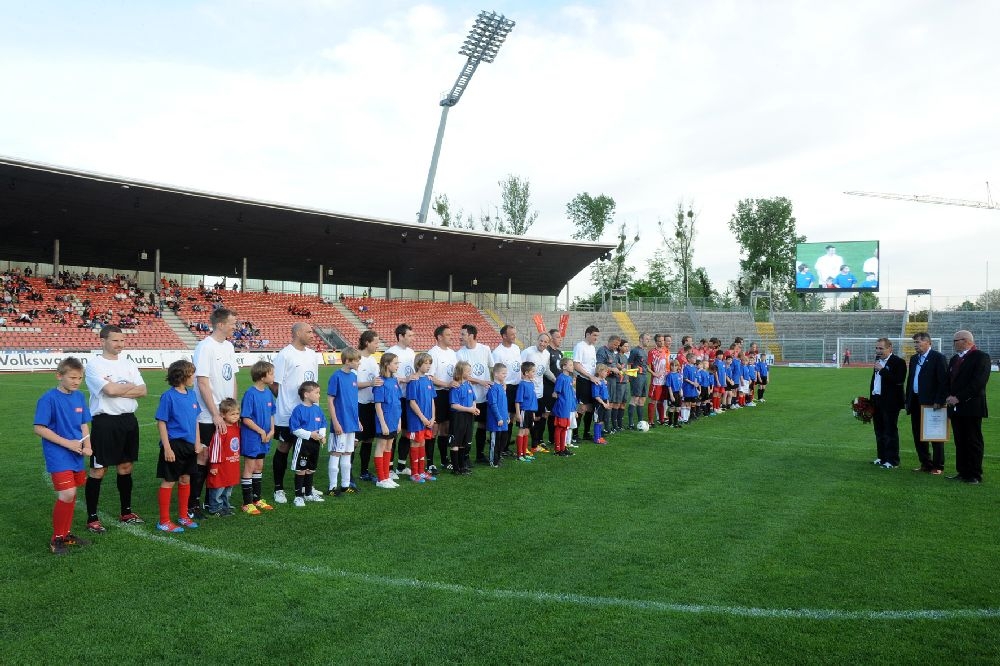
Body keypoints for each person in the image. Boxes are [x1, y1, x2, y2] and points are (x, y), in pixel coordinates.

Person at [83, 325, 147, 533]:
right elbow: (109, 391)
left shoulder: (129, 363)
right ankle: (92, 518)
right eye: (115, 340)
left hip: (128, 420)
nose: (120, 344)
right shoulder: (95, 365)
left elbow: (143, 390)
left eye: (122, 340)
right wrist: (128, 386)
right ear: (103, 341)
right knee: (99, 469)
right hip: (105, 422)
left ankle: (126, 512)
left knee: (126, 467)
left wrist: (118, 388)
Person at [34, 357, 93, 554]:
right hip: (58, 453)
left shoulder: (79, 397)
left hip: (76, 452)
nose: (77, 382)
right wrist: (68, 443)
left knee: (72, 493)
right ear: (59, 376)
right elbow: (39, 428)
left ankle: (66, 534)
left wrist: (87, 445)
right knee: (67, 493)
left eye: (80, 378)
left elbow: (83, 424)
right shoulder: (48, 399)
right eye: (72, 377)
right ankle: (57, 539)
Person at [191, 307, 239, 518]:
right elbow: (202, 382)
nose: (235, 327)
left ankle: (212, 502)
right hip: (208, 414)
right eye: (232, 323)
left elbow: (233, 378)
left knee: (220, 459)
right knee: (204, 457)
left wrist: (232, 409)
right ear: (220, 324)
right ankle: (193, 503)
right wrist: (215, 414)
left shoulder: (229, 346)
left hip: (226, 414)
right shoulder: (205, 347)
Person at [270, 322, 320, 504]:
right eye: (309, 332)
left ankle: (307, 487)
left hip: (308, 414)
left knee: (307, 449)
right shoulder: (285, 355)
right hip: (288, 414)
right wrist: (285, 401)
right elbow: (274, 383)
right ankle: (279, 489)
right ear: (298, 333)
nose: (312, 335)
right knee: (284, 447)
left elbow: (313, 385)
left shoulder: (312, 355)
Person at [154, 360, 203, 532]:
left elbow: (195, 420)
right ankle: (164, 521)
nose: (194, 377)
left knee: (185, 479)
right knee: (169, 481)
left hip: (190, 445)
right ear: (182, 376)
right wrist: (167, 448)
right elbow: (161, 422)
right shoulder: (168, 396)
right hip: (174, 445)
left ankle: (183, 516)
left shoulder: (192, 395)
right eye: (191, 374)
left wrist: (197, 442)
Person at [945, 331, 991, 484]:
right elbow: (949, 380)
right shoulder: (954, 359)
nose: (953, 344)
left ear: (966, 341)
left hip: (972, 407)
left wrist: (958, 397)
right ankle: (962, 471)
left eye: (955, 341)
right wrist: (948, 396)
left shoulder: (981, 357)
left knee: (973, 440)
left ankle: (975, 474)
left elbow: (978, 383)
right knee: (960, 440)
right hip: (955, 407)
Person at [905, 332, 949, 475]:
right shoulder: (914, 359)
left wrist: (939, 400)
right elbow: (910, 380)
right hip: (915, 401)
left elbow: (944, 381)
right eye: (915, 343)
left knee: (935, 435)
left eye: (918, 342)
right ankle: (925, 463)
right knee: (918, 434)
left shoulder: (938, 358)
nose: (916, 345)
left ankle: (938, 466)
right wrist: (908, 399)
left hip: (932, 403)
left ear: (928, 343)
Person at [239, 361, 276, 514]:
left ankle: (257, 499)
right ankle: (247, 503)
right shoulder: (250, 394)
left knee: (259, 466)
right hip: (252, 437)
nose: (273, 376)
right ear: (262, 376)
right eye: (271, 373)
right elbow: (245, 418)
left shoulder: (268, 393)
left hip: (265, 437)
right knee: (250, 467)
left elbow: (272, 413)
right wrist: (261, 431)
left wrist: (272, 430)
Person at [456, 324, 494, 465]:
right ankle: (465, 457)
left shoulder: (485, 349)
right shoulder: (460, 353)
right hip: (468, 397)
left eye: (463, 334)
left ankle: (480, 455)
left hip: (484, 395)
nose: (460, 337)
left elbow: (491, 368)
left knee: (483, 425)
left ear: (471, 335)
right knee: (467, 427)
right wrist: (480, 381)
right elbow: (463, 375)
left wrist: (494, 384)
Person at [327, 347, 362, 495]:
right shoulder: (336, 376)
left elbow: (353, 401)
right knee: (336, 453)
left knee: (347, 453)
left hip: (351, 423)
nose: (359, 363)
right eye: (357, 360)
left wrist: (357, 420)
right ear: (347, 361)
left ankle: (345, 485)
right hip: (340, 423)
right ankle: (332, 487)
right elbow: (330, 400)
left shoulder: (353, 377)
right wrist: (335, 422)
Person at [289, 381, 327, 506]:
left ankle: (308, 494)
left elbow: (323, 423)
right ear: (306, 394)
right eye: (316, 393)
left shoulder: (317, 409)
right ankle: (298, 496)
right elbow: (295, 429)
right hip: (303, 445)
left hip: (315, 445)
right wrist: (310, 434)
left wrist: (322, 436)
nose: (319, 395)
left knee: (311, 469)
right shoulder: (298, 410)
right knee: (301, 470)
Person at [385, 324, 417, 475]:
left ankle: (401, 466)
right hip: (395, 399)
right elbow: (387, 376)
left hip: (409, 398)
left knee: (406, 432)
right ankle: (389, 468)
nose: (412, 338)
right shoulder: (391, 352)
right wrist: (405, 379)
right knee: (393, 433)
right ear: (400, 336)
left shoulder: (411, 352)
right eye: (409, 335)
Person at [869, 338, 905, 469]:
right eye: (877, 348)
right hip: (877, 400)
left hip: (890, 403)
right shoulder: (878, 361)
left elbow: (899, 380)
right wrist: (871, 399)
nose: (878, 351)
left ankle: (892, 460)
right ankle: (882, 457)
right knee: (879, 430)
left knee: (890, 431)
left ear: (890, 348)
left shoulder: (898, 362)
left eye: (881, 348)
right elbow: (875, 381)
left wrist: (883, 370)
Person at [428, 324, 458, 473]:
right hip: (437, 394)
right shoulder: (433, 353)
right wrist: (447, 384)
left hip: (450, 394)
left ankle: (444, 460)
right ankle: (430, 463)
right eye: (448, 335)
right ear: (439, 337)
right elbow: (430, 377)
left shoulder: (452, 353)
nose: (451, 337)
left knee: (446, 428)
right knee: (434, 428)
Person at [355, 330, 383, 483]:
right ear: (367, 342)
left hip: (372, 404)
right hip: (359, 404)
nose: (378, 345)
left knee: (369, 439)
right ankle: (348, 474)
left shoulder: (372, 360)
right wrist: (370, 383)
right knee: (355, 440)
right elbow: (352, 384)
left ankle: (364, 471)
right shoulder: (356, 359)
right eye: (376, 342)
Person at [206, 398, 241, 516]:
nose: (236, 416)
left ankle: (225, 506)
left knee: (228, 486)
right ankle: (215, 508)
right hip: (221, 466)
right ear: (223, 415)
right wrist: (214, 465)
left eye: (237, 413)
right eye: (232, 414)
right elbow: (215, 448)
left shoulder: (236, 427)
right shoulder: (221, 430)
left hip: (232, 465)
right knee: (218, 487)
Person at [372, 352, 402, 489]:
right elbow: (378, 405)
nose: (397, 365)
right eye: (395, 363)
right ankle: (381, 479)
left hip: (394, 420)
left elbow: (398, 402)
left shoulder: (395, 381)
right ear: (386, 364)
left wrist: (399, 421)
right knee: (381, 446)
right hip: (385, 420)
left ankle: (386, 476)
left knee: (389, 446)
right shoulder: (380, 382)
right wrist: (383, 424)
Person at [405, 352, 437, 482]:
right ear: (418, 364)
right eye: (426, 363)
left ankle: (421, 471)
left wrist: (433, 417)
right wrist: (422, 417)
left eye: (430, 363)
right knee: (415, 442)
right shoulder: (413, 381)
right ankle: (414, 473)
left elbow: (432, 400)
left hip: (428, 419)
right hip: (416, 419)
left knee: (423, 442)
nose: (428, 366)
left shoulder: (429, 380)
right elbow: (412, 402)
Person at [492, 324, 522, 451]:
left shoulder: (516, 348)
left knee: (513, 416)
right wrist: (502, 384)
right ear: (504, 336)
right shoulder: (497, 352)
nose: (515, 336)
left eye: (515, 334)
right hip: (506, 387)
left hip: (517, 385)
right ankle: (501, 447)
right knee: (506, 416)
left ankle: (506, 444)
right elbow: (496, 372)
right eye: (512, 334)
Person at [520, 333, 551, 452]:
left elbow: (546, 370)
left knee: (539, 418)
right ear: (537, 340)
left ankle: (535, 444)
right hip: (529, 392)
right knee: (529, 420)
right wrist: (524, 384)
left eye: (545, 342)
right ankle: (527, 446)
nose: (542, 343)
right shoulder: (528, 352)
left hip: (539, 391)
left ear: (548, 343)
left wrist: (555, 379)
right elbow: (520, 369)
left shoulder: (547, 354)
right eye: (541, 340)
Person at [449, 361, 479, 474]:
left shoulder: (468, 385)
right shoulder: (455, 387)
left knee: (463, 442)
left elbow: (473, 399)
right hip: (458, 417)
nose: (470, 372)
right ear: (460, 372)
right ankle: (455, 468)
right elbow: (454, 405)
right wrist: (469, 409)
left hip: (468, 416)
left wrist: (474, 408)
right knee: (456, 442)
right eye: (468, 371)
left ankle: (462, 466)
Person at [573, 325, 600, 441]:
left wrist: (598, 377)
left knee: (591, 408)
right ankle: (575, 435)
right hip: (583, 380)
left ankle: (586, 433)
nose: (596, 338)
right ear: (588, 334)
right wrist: (589, 376)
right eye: (594, 335)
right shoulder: (580, 346)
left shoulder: (592, 347)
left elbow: (592, 366)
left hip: (592, 380)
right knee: (582, 408)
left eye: (597, 336)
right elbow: (576, 365)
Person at [486, 363, 511, 467]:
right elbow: (493, 404)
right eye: (503, 373)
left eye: (506, 373)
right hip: (496, 420)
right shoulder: (493, 388)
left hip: (503, 419)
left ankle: (498, 457)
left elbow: (504, 404)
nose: (505, 375)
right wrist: (498, 418)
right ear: (496, 374)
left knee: (503, 440)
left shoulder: (501, 387)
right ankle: (493, 461)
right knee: (495, 441)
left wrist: (507, 416)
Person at [551, 357, 576, 457]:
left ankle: (563, 447)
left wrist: (573, 407)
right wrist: (561, 400)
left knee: (565, 428)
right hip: (562, 407)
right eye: (570, 365)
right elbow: (556, 393)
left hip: (568, 407)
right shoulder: (561, 378)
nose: (572, 367)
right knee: (560, 427)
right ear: (564, 367)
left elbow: (571, 393)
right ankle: (557, 449)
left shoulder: (569, 378)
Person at [514, 361, 539, 461]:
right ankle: (519, 455)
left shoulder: (532, 384)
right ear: (526, 373)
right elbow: (517, 401)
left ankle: (524, 453)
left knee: (527, 432)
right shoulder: (522, 384)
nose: (534, 373)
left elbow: (533, 400)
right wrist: (518, 414)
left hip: (530, 412)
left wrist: (533, 413)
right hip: (523, 411)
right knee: (521, 431)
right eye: (533, 371)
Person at [627, 333, 651, 428]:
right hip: (637, 377)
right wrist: (630, 376)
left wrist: (653, 373)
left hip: (644, 376)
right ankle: (630, 423)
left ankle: (640, 422)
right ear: (641, 339)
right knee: (635, 398)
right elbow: (629, 364)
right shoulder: (635, 350)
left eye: (649, 339)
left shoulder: (644, 351)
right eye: (647, 339)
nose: (648, 340)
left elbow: (645, 366)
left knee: (642, 399)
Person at [591, 364, 611, 444]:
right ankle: (597, 438)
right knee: (598, 421)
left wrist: (607, 402)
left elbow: (606, 394)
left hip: (604, 402)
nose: (607, 373)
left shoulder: (603, 382)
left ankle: (599, 437)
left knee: (602, 420)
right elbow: (596, 396)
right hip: (599, 404)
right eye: (605, 371)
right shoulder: (596, 382)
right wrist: (603, 403)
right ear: (599, 372)